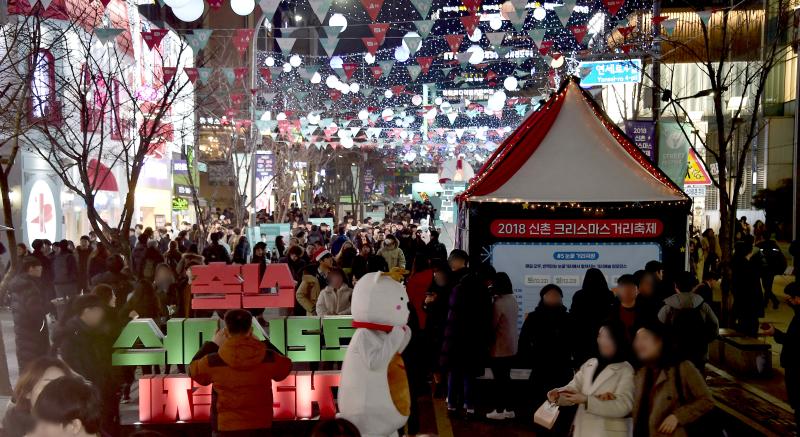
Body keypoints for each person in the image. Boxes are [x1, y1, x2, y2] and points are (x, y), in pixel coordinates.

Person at [189, 309, 292, 435]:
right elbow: (287, 366)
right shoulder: (268, 358)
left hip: (225, 427)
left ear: (226, 332)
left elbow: (192, 370)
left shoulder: (213, 361)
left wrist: (213, 344)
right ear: (251, 330)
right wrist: (264, 343)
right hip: (260, 426)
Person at [548, 320, 635, 437]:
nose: (602, 341)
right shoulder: (590, 363)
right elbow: (574, 387)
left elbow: (624, 406)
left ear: (618, 339)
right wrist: (558, 394)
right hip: (583, 430)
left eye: (608, 337)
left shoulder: (626, 369)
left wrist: (587, 400)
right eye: (600, 335)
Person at [631, 324, 714, 437]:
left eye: (645, 338)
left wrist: (678, 417)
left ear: (660, 342)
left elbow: (707, 400)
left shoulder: (683, 368)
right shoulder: (640, 373)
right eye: (636, 339)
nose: (638, 343)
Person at [52, 294, 119, 435]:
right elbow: (74, 371)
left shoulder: (97, 333)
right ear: (87, 311)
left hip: (104, 394)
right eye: (99, 311)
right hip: (88, 400)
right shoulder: (71, 337)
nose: (102, 315)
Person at [440, 263, 495, 415]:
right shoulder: (483, 293)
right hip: (473, 340)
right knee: (469, 376)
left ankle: (451, 405)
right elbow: (486, 320)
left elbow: (450, 313)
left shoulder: (458, 288)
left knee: (454, 373)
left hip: (455, 338)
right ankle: (469, 407)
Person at [518, 284, 575, 429]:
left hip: (563, 368)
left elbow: (576, 342)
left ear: (561, 298)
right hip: (541, 369)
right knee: (539, 405)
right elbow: (524, 341)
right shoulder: (533, 317)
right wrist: (529, 359)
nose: (553, 298)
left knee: (564, 408)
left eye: (557, 295)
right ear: (543, 297)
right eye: (549, 295)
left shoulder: (568, 318)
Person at [658, 272, 719, 371]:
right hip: (699, 353)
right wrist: (704, 340)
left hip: (674, 354)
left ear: (676, 286)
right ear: (694, 286)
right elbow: (715, 325)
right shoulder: (703, 306)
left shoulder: (668, 307)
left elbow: (658, 329)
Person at [2, 357, 73, 437]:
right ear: (28, 392)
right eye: (48, 386)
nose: (56, 393)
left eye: (62, 386)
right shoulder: (10, 428)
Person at [763, 282, 800, 426]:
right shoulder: (797, 315)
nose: (789, 301)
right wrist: (775, 333)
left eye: (791, 297)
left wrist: (776, 333)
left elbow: (793, 341)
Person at [485, 272, 519, 420]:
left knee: (498, 381)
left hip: (499, 347)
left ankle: (498, 410)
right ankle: (509, 410)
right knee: (507, 379)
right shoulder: (513, 299)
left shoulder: (498, 302)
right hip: (512, 346)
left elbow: (492, 324)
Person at [8, 257, 51, 372]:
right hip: (34, 332)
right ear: (31, 269)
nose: (41, 271)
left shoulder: (18, 285)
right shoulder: (30, 287)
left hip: (22, 330)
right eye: (39, 268)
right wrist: (50, 305)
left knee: (26, 366)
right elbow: (36, 313)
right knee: (36, 367)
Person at [571, 268, 615, 365]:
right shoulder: (609, 295)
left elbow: (574, 318)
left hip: (583, 339)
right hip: (604, 337)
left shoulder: (579, 295)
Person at [732, 238, 765, 336]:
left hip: (742, 304)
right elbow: (754, 288)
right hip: (750, 305)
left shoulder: (736, 264)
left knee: (743, 328)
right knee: (750, 330)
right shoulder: (748, 267)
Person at [611, 274, 645, 344]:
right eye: (623, 288)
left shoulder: (647, 312)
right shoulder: (610, 312)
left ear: (638, 291)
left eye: (631, 288)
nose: (627, 291)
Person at [757, 231, 786, 310]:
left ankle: (773, 301)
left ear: (762, 236)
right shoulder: (774, 245)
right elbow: (781, 258)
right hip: (772, 270)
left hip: (763, 269)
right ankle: (767, 302)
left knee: (766, 287)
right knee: (768, 287)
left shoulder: (759, 245)